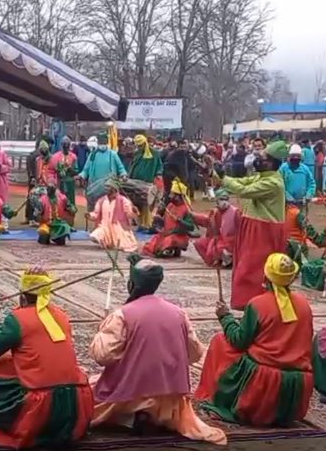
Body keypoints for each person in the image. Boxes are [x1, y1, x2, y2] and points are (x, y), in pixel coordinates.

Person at [0, 265, 93, 448]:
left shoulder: (17, 319)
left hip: (39, 411)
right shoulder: (62, 316)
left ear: (22, 295)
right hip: (76, 406)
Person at [90, 258, 227, 445]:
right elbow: (194, 354)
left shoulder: (122, 315)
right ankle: (154, 417)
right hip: (171, 399)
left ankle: (133, 416)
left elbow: (102, 356)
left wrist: (101, 331)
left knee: (87, 390)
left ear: (131, 284)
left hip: (128, 396)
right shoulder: (179, 313)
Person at [195, 253, 315, 427]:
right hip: (298, 381)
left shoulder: (258, 304)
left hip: (264, 380)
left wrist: (225, 317)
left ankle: (222, 397)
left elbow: (238, 341)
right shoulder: (304, 304)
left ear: (265, 276)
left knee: (220, 342)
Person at [219, 139, 288, 309]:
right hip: (253, 227)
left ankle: (258, 306)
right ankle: (248, 305)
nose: (258, 158)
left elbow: (243, 191)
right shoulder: (260, 176)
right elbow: (240, 183)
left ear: (271, 162)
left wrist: (222, 178)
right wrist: (216, 175)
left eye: (263, 157)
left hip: (263, 231)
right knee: (244, 267)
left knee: (253, 271)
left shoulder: (273, 183)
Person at [141, 180, 198, 258]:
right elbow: (164, 221)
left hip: (178, 236)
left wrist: (179, 220)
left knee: (168, 241)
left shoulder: (186, 209)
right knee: (151, 244)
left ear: (177, 196)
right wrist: (158, 217)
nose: (170, 196)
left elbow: (191, 227)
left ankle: (173, 248)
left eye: (172, 194)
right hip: (166, 233)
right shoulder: (170, 205)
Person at [79, 132, 127, 213]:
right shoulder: (93, 155)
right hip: (95, 187)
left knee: (109, 210)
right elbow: (86, 169)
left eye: (104, 142)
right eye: (101, 142)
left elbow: (120, 167)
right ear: (98, 143)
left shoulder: (113, 154)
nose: (102, 144)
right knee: (96, 211)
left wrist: (123, 175)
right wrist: (81, 176)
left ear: (107, 142)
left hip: (109, 187)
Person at [89, 178, 138, 253]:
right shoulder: (102, 200)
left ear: (114, 189)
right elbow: (96, 214)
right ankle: (106, 241)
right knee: (94, 236)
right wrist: (89, 215)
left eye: (109, 187)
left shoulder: (123, 200)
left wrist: (134, 211)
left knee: (122, 245)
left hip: (119, 227)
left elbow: (129, 214)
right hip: (104, 227)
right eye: (107, 187)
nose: (107, 189)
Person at [193, 189, 240, 268]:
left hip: (231, 240)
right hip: (216, 239)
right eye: (221, 199)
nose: (224, 202)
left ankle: (230, 261)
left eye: (226, 199)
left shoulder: (235, 212)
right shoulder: (215, 212)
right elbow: (208, 221)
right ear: (217, 201)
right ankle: (213, 262)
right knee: (199, 243)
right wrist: (194, 217)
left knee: (219, 247)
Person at [128, 134, 163, 229]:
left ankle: (147, 223)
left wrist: (158, 173)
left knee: (146, 203)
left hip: (148, 181)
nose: (139, 147)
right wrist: (128, 177)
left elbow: (159, 165)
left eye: (140, 145)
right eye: (137, 146)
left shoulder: (154, 153)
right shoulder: (136, 153)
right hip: (135, 181)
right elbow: (132, 166)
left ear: (144, 143)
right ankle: (138, 223)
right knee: (136, 202)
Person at [47, 136, 79, 210]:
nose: (66, 147)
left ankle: (70, 217)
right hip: (59, 183)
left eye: (67, 145)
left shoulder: (73, 157)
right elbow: (51, 171)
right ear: (61, 145)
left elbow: (76, 171)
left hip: (70, 183)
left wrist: (70, 169)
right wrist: (52, 180)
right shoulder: (55, 157)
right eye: (64, 145)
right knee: (59, 201)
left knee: (70, 202)